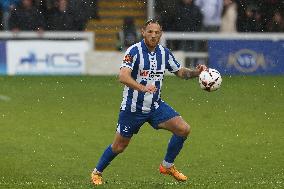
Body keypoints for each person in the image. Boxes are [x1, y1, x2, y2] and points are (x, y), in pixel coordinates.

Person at [91, 19, 207, 186]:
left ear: (161, 34)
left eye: (157, 32)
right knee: (119, 146)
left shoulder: (164, 53)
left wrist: (197, 72)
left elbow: (180, 72)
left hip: (155, 106)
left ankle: (167, 166)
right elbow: (122, 76)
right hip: (133, 108)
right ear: (143, 32)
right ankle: (97, 172)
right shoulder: (134, 51)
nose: (153, 36)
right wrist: (141, 88)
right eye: (150, 32)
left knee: (183, 129)